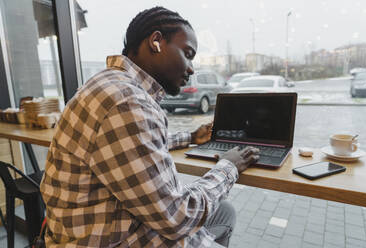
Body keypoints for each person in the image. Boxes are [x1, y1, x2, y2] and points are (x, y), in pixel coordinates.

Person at [40, 6, 259, 248]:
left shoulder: (108, 84)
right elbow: (177, 218)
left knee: (223, 210)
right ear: (156, 41)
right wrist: (229, 166)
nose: (191, 68)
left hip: (101, 226)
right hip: (118, 239)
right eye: (187, 53)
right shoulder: (128, 101)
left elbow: (132, 148)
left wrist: (190, 137)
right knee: (214, 208)